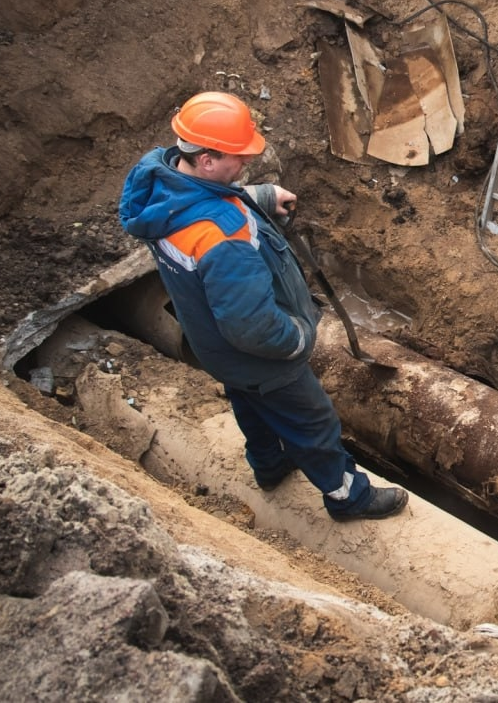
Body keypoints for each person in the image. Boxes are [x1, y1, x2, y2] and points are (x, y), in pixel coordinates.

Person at [119, 91, 407, 522]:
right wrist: (297, 339)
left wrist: (257, 196)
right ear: (207, 160)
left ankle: (270, 467)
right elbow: (253, 328)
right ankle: (349, 497)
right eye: (237, 157)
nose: (245, 163)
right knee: (314, 423)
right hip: (261, 359)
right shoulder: (223, 239)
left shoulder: (161, 186)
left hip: (216, 349)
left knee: (250, 405)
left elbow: (198, 203)